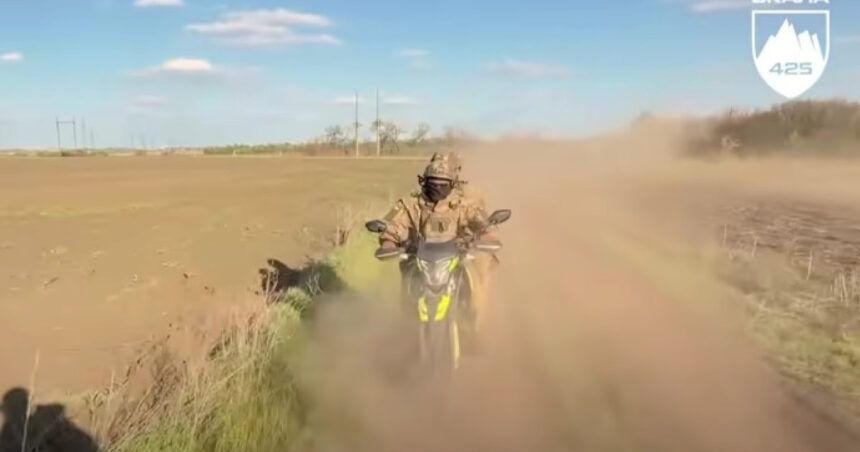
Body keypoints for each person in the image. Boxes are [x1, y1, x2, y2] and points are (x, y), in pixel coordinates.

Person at [377, 152, 498, 346]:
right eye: (433, 183)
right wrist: (389, 242)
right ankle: (408, 327)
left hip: (455, 256)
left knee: (478, 275)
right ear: (424, 182)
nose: (438, 188)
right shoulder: (411, 204)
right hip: (421, 257)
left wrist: (487, 234)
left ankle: (472, 324)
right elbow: (393, 224)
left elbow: (480, 220)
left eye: (444, 184)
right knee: (407, 278)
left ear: (453, 183)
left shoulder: (464, 202)